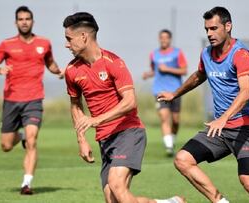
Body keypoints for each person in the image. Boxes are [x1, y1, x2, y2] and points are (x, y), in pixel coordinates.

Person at [63, 12, 184, 203]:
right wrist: (81, 140)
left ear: (84, 37)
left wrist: (95, 120)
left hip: (128, 132)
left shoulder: (114, 63)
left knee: (117, 185)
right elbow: (75, 105)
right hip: (105, 140)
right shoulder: (71, 70)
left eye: (69, 39)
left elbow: (129, 102)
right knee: (114, 199)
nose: (66, 44)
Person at [158, 7, 249, 203]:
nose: (210, 34)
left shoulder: (241, 54)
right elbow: (198, 76)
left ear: (228, 26)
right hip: (220, 128)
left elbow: (246, 92)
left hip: (248, 127)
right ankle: (221, 202)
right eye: (207, 29)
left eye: (214, 28)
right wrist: (174, 94)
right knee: (182, 160)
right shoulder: (207, 54)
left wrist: (223, 118)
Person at [0, 6, 64, 195]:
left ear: (32, 21)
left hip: (34, 99)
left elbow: (50, 63)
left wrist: (58, 71)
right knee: (6, 145)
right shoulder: (6, 44)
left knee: (32, 140)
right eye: (20, 19)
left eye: (27, 18)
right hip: (11, 100)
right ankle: (18, 137)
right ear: (16, 22)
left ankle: (26, 184)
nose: (24, 22)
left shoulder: (44, 43)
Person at [142, 29, 187, 156]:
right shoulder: (154, 54)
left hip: (176, 91)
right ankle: (168, 147)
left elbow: (184, 70)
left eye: (166, 37)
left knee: (176, 120)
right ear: (159, 39)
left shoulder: (177, 53)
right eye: (161, 37)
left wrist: (168, 69)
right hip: (159, 90)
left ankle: (171, 139)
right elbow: (155, 70)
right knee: (164, 117)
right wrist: (148, 74)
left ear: (170, 39)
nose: (164, 40)